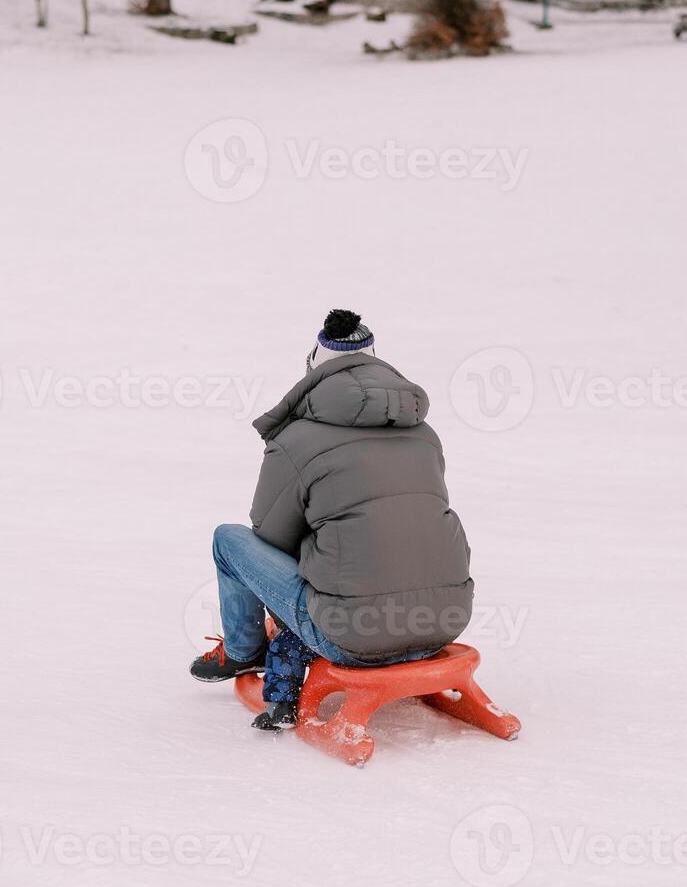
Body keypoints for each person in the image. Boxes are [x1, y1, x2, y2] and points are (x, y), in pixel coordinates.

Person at [189, 310, 475, 731]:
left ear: (314, 367)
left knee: (228, 541)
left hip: (350, 636)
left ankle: (243, 651)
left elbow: (271, 539)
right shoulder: (423, 433)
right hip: (445, 620)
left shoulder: (297, 439)